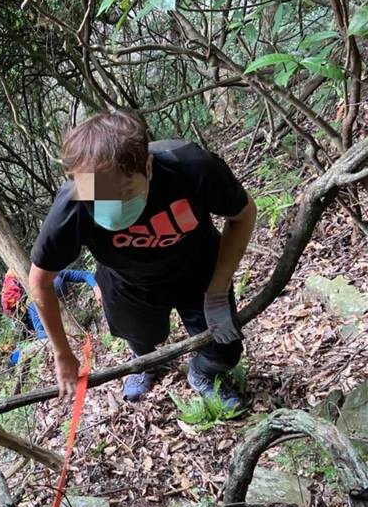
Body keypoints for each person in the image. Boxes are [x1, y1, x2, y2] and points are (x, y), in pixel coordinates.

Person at [27, 109, 257, 406]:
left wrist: (217, 289)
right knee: (143, 341)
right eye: (98, 193)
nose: (110, 202)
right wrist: (62, 353)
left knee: (224, 352)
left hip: (199, 273)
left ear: (148, 168)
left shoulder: (189, 168)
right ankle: (145, 362)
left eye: (122, 190)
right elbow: (39, 280)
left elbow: (243, 213)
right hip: (128, 287)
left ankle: (200, 374)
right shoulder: (73, 206)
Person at [1, 268, 102, 359]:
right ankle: (13, 359)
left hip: (31, 314)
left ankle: (14, 358)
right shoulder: (34, 304)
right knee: (29, 344)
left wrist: (96, 287)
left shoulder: (55, 272)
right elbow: (43, 338)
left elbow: (85, 275)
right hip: (26, 319)